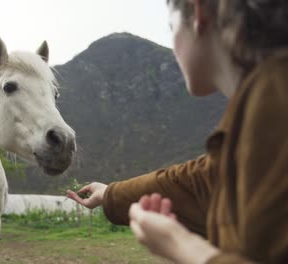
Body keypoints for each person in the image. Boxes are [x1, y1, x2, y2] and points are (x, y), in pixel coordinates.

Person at [67, 0, 288, 263]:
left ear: (197, 14)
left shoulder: (276, 98)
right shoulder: (262, 104)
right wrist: (110, 195)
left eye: (171, 27)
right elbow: (204, 182)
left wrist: (182, 246)